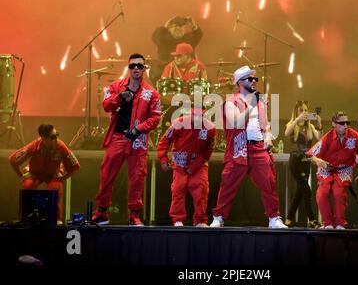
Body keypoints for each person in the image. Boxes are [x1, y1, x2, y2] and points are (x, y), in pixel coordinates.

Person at [210, 65, 287, 229]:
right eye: (249, 79)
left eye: (254, 79)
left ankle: (274, 217)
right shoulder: (231, 102)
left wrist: (267, 138)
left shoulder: (260, 102)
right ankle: (219, 217)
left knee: (269, 182)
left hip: (258, 148)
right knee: (228, 184)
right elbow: (236, 122)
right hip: (239, 149)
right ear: (240, 82)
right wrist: (251, 105)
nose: (254, 81)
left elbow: (265, 125)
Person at [92, 53, 161, 226]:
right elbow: (106, 106)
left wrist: (138, 129)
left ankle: (134, 215)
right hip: (118, 136)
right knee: (107, 173)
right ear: (128, 68)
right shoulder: (115, 87)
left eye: (139, 66)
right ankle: (102, 212)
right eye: (133, 66)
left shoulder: (151, 93)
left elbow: (155, 118)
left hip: (137, 139)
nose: (136, 68)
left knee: (137, 177)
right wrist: (120, 97)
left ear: (144, 68)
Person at [307, 111, 358, 229]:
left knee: (338, 192)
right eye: (342, 123)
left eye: (347, 122)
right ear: (334, 124)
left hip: (345, 169)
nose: (345, 125)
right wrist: (319, 162)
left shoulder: (355, 136)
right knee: (322, 192)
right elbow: (311, 155)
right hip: (326, 168)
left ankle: (340, 224)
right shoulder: (327, 138)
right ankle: (328, 224)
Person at [156, 108, 217, 227]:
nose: (198, 119)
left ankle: (200, 220)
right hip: (180, 163)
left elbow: (208, 151)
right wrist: (163, 159)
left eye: (201, 117)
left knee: (201, 189)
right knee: (178, 190)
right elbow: (164, 142)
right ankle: (177, 219)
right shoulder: (178, 123)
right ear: (191, 115)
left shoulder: (210, 128)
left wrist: (194, 166)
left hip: (198, 164)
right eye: (195, 116)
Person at [9, 124, 81, 223]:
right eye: (53, 137)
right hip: (34, 173)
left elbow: (75, 166)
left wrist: (63, 178)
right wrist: (21, 176)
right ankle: (27, 218)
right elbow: (13, 160)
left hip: (53, 174)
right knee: (28, 185)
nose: (56, 139)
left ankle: (56, 218)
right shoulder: (33, 146)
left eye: (57, 135)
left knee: (55, 186)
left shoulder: (61, 146)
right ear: (43, 138)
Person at [284, 100, 322, 228]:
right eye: (302, 110)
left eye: (306, 110)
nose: (305, 113)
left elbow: (319, 139)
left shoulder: (309, 126)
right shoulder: (292, 124)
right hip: (295, 160)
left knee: (300, 192)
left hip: (307, 160)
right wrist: (296, 120)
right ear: (296, 112)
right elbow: (286, 133)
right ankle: (312, 219)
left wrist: (319, 124)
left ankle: (289, 218)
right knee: (307, 190)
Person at [152, 16, 203, 80]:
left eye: (181, 26)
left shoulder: (188, 40)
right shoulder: (163, 39)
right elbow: (156, 35)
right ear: (169, 29)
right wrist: (165, 26)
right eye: (175, 26)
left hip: (188, 77)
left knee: (197, 84)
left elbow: (198, 35)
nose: (178, 28)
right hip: (167, 77)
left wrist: (193, 26)